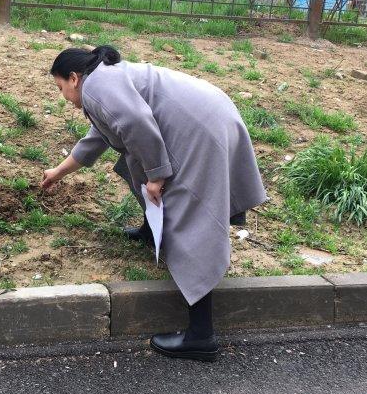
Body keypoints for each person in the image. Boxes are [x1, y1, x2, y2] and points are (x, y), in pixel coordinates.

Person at [41, 46, 267, 361]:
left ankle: (201, 336)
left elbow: (135, 122)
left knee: (189, 221)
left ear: (74, 78)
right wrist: (58, 172)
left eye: (60, 88)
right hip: (209, 115)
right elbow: (98, 139)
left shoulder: (96, 87)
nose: (62, 96)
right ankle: (151, 233)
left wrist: (158, 175)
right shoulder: (103, 82)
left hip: (200, 130)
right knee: (133, 167)